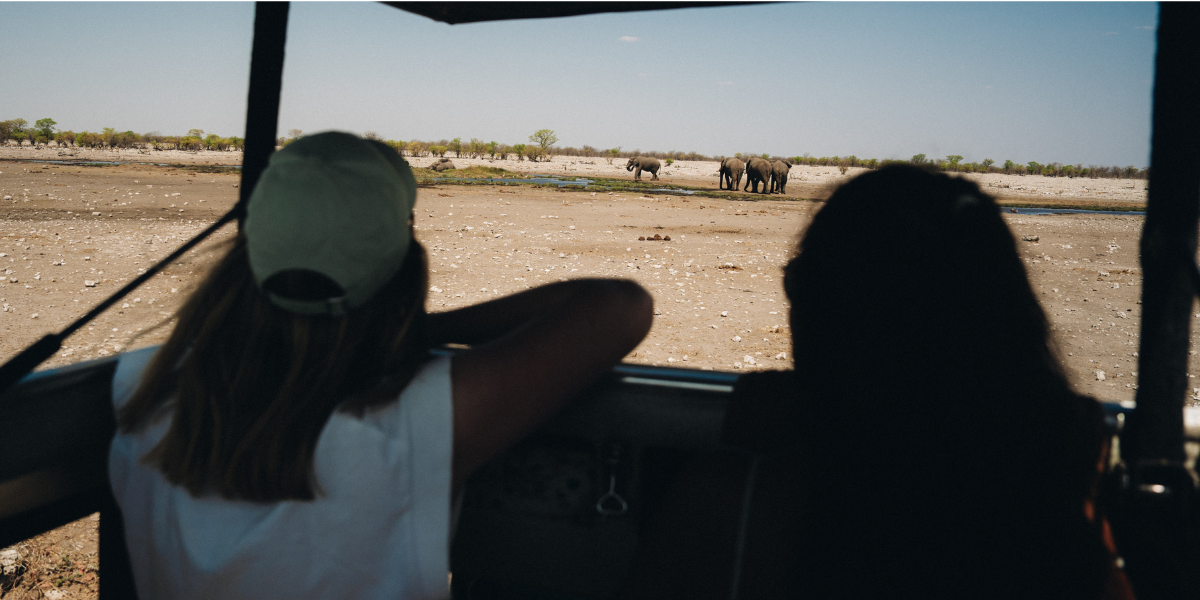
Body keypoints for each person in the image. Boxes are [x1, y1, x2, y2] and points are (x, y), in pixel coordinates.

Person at [108, 131, 653, 600]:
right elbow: (619, 307)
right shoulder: (412, 419)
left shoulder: (144, 388)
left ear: (244, 256)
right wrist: (424, 329)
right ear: (402, 264)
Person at [624, 165, 1132, 599]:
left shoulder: (732, 502)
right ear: (1011, 320)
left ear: (822, 311)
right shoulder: (1069, 510)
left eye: (799, 283)